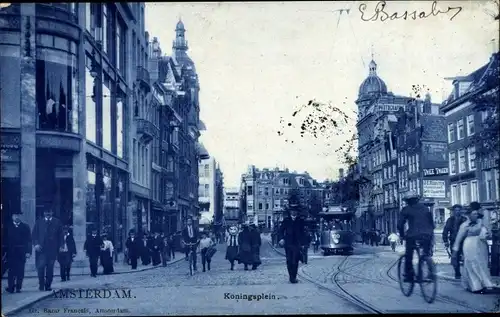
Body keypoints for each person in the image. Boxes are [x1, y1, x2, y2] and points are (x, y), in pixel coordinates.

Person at [453, 202, 499, 294]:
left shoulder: (481, 222)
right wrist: (455, 251)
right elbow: (458, 239)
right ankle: (475, 286)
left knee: (482, 264)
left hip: (481, 245)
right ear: (469, 215)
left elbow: (487, 233)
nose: (476, 215)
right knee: (471, 264)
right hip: (469, 245)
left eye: (476, 213)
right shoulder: (465, 225)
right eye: (473, 214)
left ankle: (485, 283)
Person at [397, 191, 435, 282]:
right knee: (426, 254)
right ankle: (430, 272)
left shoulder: (406, 209)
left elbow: (400, 225)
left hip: (413, 235)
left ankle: (409, 275)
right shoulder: (426, 208)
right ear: (417, 199)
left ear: (407, 201)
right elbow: (432, 224)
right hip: (427, 235)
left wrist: (402, 235)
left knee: (408, 254)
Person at [32, 208, 63, 291]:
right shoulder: (39, 222)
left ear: (52, 212)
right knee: (41, 268)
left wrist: (61, 246)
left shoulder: (57, 222)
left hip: (52, 250)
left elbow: (61, 236)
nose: (48, 213)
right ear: (44, 213)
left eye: (49, 212)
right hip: (41, 250)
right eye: (46, 212)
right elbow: (34, 235)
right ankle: (41, 284)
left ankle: (48, 285)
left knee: (50, 268)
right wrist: (36, 244)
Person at [3, 210, 32, 293]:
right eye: (15, 215)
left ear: (21, 217)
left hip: (21, 252)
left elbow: (29, 240)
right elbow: (4, 240)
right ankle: (11, 287)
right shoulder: (8, 227)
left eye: (19, 215)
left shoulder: (25, 227)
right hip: (11, 252)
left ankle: (18, 287)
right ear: (12, 217)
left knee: (20, 270)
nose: (17, 217)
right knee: (11, 271)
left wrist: (28, 252)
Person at [278, 203, 307, 284]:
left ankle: (293, 277)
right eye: (292, 211)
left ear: (297, 212)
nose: (293, 213)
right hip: (288, 244)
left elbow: (303, 233)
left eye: (295, 211)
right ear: (290, 212)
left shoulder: (300, 221)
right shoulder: (286, 221)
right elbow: (280, 231)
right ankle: (291, 276)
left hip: (297, 244)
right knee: (289, 260)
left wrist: (304, 243)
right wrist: (281, 239)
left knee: (295, 261)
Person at [443, 204, 467, 279]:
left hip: (464, 241)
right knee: (454, 258)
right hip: (453, 241)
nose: (457, 212)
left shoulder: (464, 219)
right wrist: (445, 241)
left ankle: (467, 273)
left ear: (461, 211)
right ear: (453, 211)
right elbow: (445, 231)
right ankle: (457, 272)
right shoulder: (450, 220)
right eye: (456, 210)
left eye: (459, 210)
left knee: (466, 257)